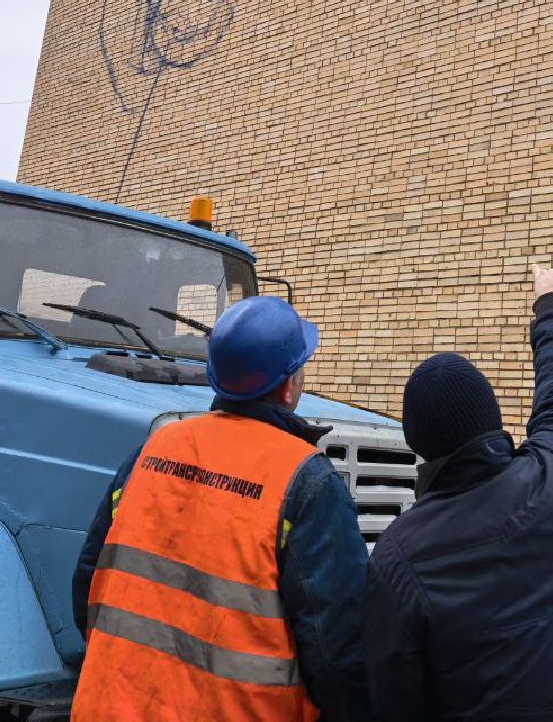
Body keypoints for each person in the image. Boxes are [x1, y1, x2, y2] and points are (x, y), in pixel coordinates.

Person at [70, 295, 369, 721]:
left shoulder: (155, 448)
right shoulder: (306, 480)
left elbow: (88, 582)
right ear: (289, 387)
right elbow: (336, 650)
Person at [363, 264, 553, 721]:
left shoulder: (398, 558)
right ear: (492, 416)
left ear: (417, 443)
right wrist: (550, 304)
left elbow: (392, 701)